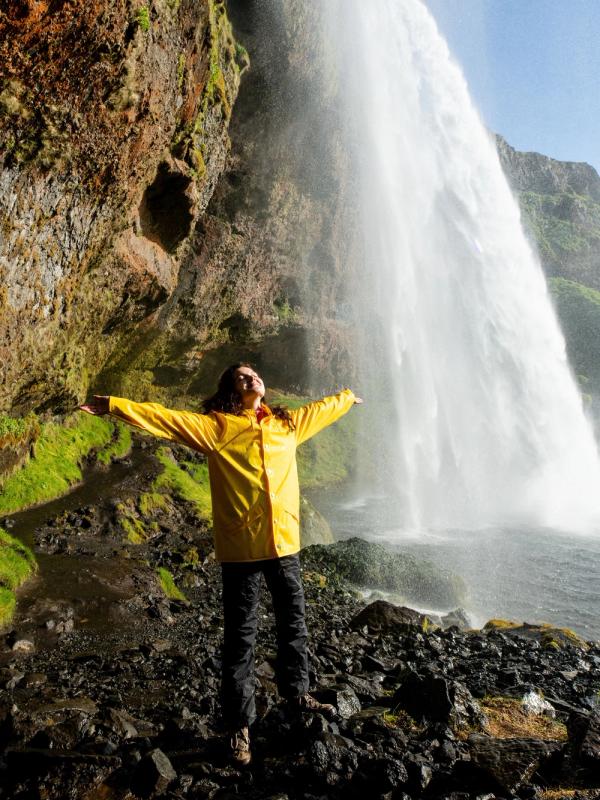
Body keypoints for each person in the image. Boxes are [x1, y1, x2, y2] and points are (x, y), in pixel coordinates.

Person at [80, 363, 362, 766]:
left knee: (294, 624)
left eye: (254, 375)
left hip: (284, 547)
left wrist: (348, 398)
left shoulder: (287, 425)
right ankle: (238, 730)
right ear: (232, 390)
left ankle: (298, 694)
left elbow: (322, 408)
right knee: (240, 640)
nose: (252, 379)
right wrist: (112, 405)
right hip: (242, 552)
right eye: (242, 378)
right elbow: (166, 418)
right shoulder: (218, 428)